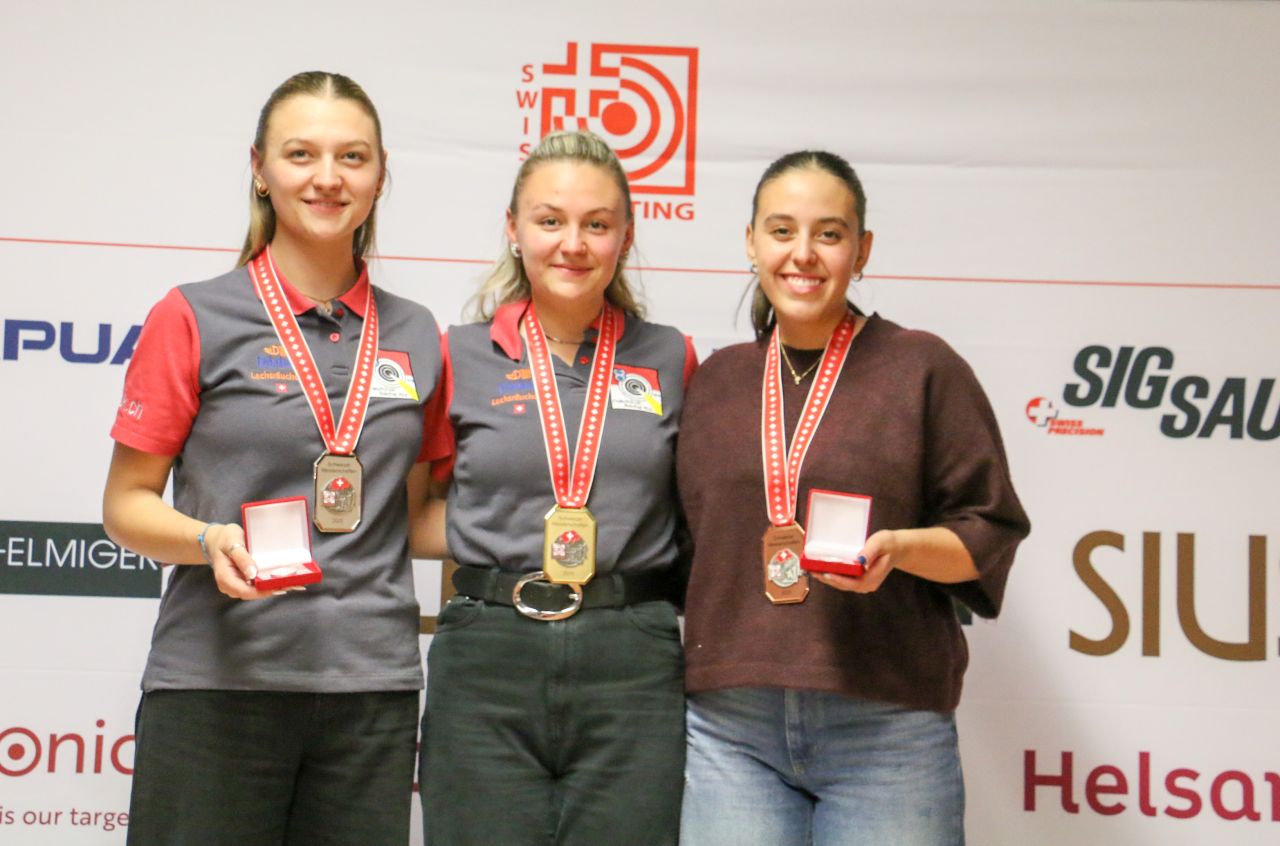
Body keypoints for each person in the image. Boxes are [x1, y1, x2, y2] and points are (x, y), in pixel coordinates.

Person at [102, 71, 445, 845]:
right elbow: (125, 505)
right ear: (259, 168)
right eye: (301, 154)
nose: (328, 178)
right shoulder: (193, 314)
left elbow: (413, 512)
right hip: (217, 686)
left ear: (382, 174)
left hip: (371, 692)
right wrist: (206, 538)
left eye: (352, 157)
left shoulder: (419, 333)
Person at [675, 151, 1031, 846]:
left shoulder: (923, 367)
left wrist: (899, 551)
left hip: (885, 722)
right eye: (781, 231)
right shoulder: (716, 380)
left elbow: (990, 528)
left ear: (861, 250)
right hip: (731, 728)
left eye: (829, 234)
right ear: (750, 242)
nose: (802, 254)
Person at [414, 130, 695, 846]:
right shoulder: (459, 353)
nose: (573, 243)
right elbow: (411, 517)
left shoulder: (672, 355)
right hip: (489, 653)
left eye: (596, 225)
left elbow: (690, 513)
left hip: (629, 655)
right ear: (514, 230)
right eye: (550, 221)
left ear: (624, 237)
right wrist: (496, 534)